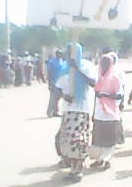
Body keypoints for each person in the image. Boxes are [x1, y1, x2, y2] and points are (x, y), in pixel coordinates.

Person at [56, 43, 96, 182]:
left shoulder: (86, 66)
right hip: (68, 110)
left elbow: (93, 83)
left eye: (72, 52)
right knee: (68, 141)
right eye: (68, 52)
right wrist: (64, 96)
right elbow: (58, 88)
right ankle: (73, 169)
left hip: (81, 110)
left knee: (78, 141)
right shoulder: (64, 68)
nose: (69, 55)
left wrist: (77, 68)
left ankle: (78, 170)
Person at [89, 54, 123, 171]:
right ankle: (99, 160)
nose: (103, 65)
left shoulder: (114, 78)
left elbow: (119, 95)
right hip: (99, 113)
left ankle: (106, 159)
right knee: (98, 139)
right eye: (102, 63)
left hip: (111, 114)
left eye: (106, 63)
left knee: (109, 140)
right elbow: (95, 97)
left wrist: (106, 95)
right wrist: (93, 112)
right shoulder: (98, 78)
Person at [47, 50, 64, 117]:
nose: (60, 55)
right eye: (59, 54)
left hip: (60, 83)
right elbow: (49, 72)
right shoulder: (52, 62)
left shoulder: (61, 61)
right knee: (52, 98)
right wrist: (49, 83)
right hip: (54, 82)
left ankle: (55, 112)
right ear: (56, 54)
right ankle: (49, 112)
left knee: (58, 98)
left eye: (61, 54)